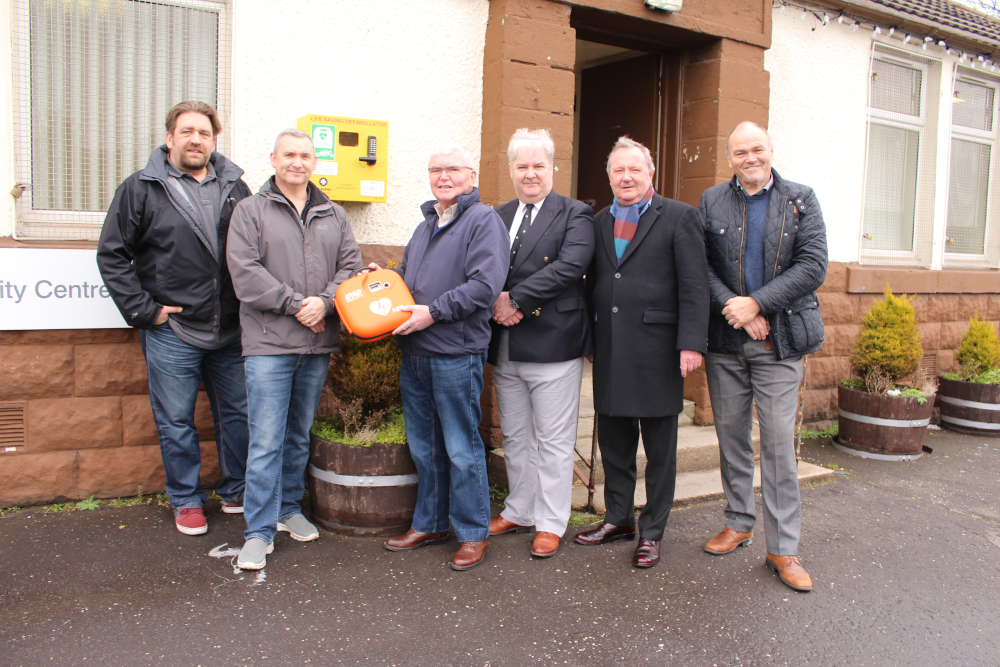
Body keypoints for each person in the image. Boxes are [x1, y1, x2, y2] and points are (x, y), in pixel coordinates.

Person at [98, 101, 252, 536]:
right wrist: (147, 311)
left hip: (231, 328)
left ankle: (237, 489)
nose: (195, 140)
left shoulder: (236, 187)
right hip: (174, 331)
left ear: (214, 141)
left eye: (203, 133)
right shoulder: (142, 188)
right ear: (169, 138)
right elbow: (112, 255)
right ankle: (186, 499)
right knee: (177, 419)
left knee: (238, 416)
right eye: (186, 132)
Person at [698, 121, 827, 593]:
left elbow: (813, 265)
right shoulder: (712, 201)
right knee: (731, 436)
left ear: (770, 150)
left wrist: (759, 303)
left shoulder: (801, 199)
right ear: (729, 157)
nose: (749, 158)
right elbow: (701, 266)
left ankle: (784, 548)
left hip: (779, 341)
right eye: (739, 152)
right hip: (727, 340)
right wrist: (736, 309)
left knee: (775, 445)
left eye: (757, 149)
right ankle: (738, 521)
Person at [226, 129, 363, 570]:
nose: (297, 163)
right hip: (268, 343)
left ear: (315, 162)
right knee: (266, 440)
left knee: (297, 434)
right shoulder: (250, 211)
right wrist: (295, 304)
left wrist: (324, 302)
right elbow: (244, 273)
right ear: (273, 159)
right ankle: (258, 531)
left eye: (305, 155)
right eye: (289, 155)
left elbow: (351, 268)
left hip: (316, 342)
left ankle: (287, 509)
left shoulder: (334, 214)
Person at [576, 137, 709, 568]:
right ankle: (619, 518)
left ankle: (652, 530)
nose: (627, 177)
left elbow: (694, 284)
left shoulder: (679, 217)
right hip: (611, 348)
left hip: (657, 350)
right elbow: (593, 284)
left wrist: (691, 342)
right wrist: (590, 341)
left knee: (659, 449)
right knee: (614, 442)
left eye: (635, 169)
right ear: (609, 176)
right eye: (618, 170)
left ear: (650, 173)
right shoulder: (598, 222)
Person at [376, 142, 508, 571]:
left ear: (472, 177)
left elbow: (483, 287)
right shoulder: (426, 224)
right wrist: (383, 279)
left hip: (455, 354)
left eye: (453, 169)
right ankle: (430, 523)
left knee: (461, 447)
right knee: (425, 447)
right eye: (436, 170)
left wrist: (432, 313)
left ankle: (472, 532)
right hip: (414, 352)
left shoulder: (482, 221)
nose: (444, 176)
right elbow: (410, 278)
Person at [486, 128, 595, 558]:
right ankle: (520, 509)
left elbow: (570, 267)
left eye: (538, 165)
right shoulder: (498, 214)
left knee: (552, 439)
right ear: (510, 168)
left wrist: (515, 299)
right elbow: (485, 265)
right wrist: (496, 302)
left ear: (553, 167)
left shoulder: (575, 214)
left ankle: (551, 521)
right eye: (522, 165)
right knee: (515, 435)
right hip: (507, 341)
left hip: (553, 341)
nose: (530, 173)